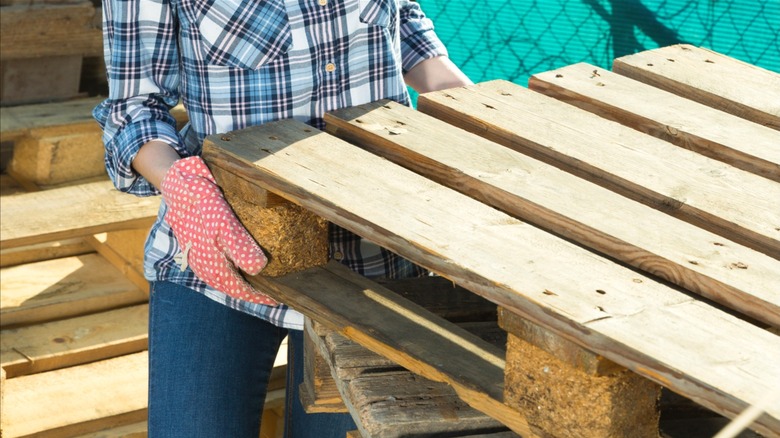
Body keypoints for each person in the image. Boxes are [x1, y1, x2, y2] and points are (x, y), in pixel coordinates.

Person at [94, 0, 472, 436]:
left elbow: (399, 18)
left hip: (369, 267)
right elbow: (134, 107)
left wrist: (469, 108)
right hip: (220, 259)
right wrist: (181, 185)